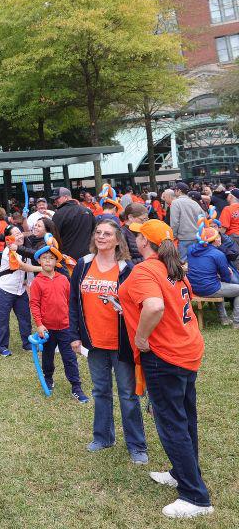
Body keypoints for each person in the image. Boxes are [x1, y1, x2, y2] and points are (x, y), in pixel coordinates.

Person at [118, 220, 213, 519]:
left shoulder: (146, 269)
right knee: (185, 418)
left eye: (137, 235)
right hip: (186, 351)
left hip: (165, 356)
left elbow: (155, 307)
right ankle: (182, 472)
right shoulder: (173, 268)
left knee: (172, 423)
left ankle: (195, 497)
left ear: (145, 241)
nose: (134, 239)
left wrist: (141, 337)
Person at [68, 222, 147, 464]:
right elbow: (73, 302)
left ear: (117, 240)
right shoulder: (83, 264)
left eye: (108, 234)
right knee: (100, 391)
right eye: (98, 233)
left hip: (121, 342)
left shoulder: (127, 268)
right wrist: (74, 335)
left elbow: (138, 303)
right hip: (94, 342)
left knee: (127, 394)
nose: (102, 237)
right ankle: (103, 437)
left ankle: (136, 445)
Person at [29, 250, 89, 403]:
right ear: (39, 262)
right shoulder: (37, 282)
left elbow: (71, 302)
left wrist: (74, 325)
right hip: (47, 330)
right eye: (44, 258)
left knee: (69, 358)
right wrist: (40, 324)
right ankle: (48, 379)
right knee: (48, 357)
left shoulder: (63, 279)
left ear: (56, 262)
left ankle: (76, 387)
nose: (48, 261)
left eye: (51, 258)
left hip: (65, 327)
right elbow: (34, 304)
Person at [0, 226, 39, 356]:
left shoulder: (23, 248)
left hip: (20, 290)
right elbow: (22, 266)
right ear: (9, 239)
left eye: (20, 233)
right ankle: (1, 346)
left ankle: (27, 343)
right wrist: (43, 268)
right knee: (2, 320)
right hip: (4, 289)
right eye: (16, 234)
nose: (20, 236)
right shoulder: (9, 251)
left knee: (25, 317)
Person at [185, 227, 238, 326]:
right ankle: (236, 322)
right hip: (209, 288)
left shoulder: (191, 249)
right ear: (214, 240)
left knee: (217, 283)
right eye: (218, 236)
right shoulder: (218, 254)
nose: (220, 238)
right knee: (220, 285)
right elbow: (226, 278)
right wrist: (228, 271)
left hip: (193, 288)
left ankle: (224, 319)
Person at [51, 187, 96, 260]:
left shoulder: (59, 214)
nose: (55, 201)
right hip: (87, 256)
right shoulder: (87, 211)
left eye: (57, 199)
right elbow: (94, 231)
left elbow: (54, 237)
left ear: (66, 197)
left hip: (67, 258)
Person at [168, 186, 205, 261]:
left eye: (175, 190)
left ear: (179, 191)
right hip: (197, 237)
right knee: (197, 260)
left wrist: (173, 236)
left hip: (184, 238)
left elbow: (174, 222)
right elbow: (203, 217)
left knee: (184, 263)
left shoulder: (175, 202)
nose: (174, 192)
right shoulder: (194, 202)